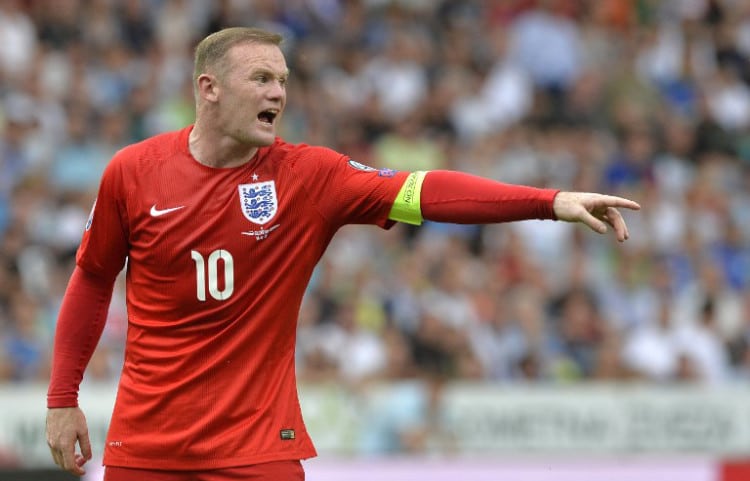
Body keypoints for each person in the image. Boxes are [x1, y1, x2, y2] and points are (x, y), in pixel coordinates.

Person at [45, 27, 640, 480]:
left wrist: (549, 201)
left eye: (282, 80)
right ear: (209, 88)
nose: (277, 91)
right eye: (260, 78)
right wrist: (62, 399)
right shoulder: (133, 172)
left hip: (257, 451)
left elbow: (422, 190)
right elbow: (93, 279)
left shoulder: (308, 177)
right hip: (147, 449)